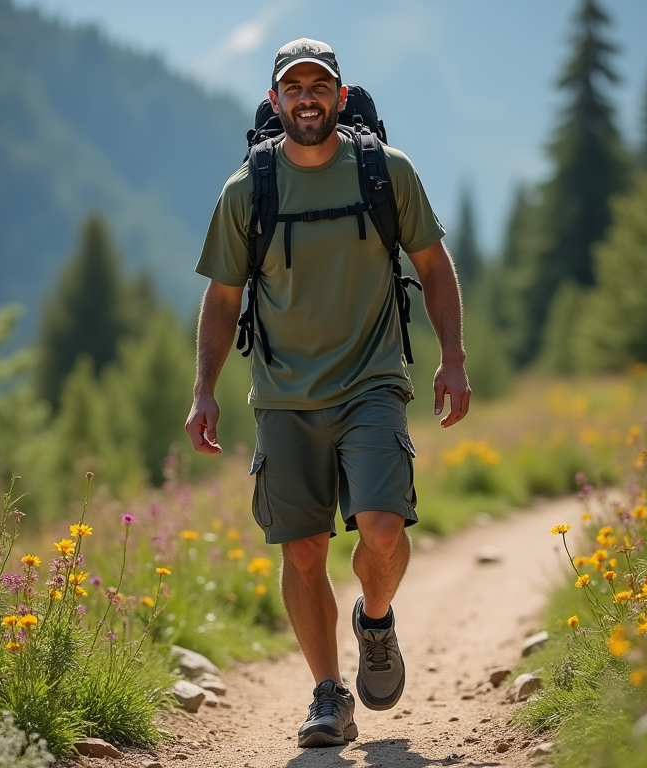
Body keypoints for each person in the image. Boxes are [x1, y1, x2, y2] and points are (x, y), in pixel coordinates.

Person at [184, 37, 471, 749]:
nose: (307, 97)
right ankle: (326, 693)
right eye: (294, 87)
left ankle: (376, 620)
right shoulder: (246, 190)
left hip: (372, 381)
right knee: (303, 550)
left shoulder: (385, 172)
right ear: (276, 99)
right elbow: (222, 299)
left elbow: (433, 265)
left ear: (340, 97)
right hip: (282, 396)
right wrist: (204, 389)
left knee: (381, 527)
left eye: (319, 85)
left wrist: (453, 358)